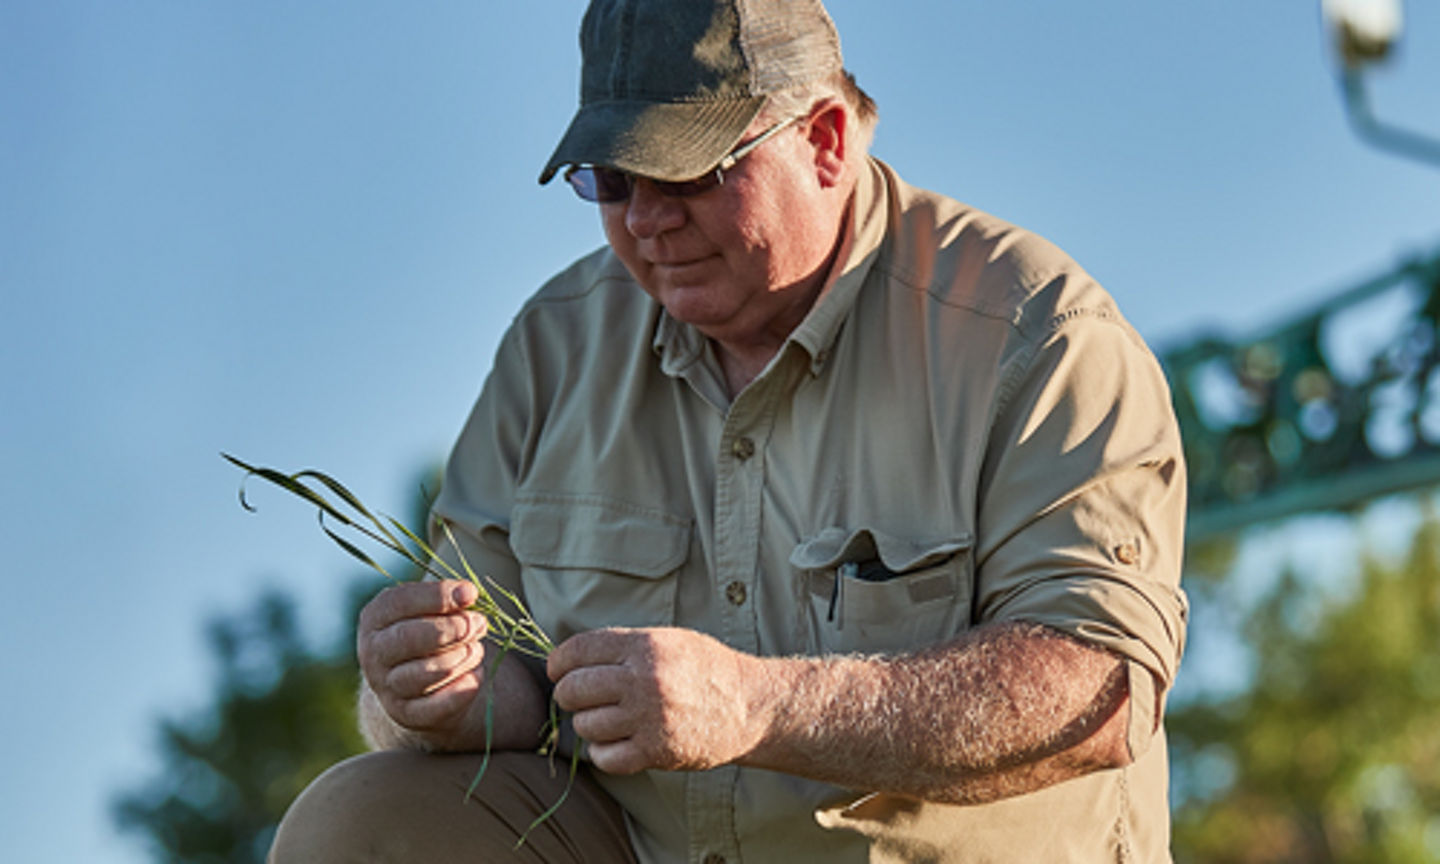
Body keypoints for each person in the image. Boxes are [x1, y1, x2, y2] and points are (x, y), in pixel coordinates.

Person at [268, 0, 1188, 861]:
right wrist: (428, 697)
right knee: (362, 820)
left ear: (825, 140)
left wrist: (756, 707)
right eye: (612, 179)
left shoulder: (1037, 335)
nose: (646, 220)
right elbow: (492, 687)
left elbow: (1100, 689)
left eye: (688, 171)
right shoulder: (553, 348)